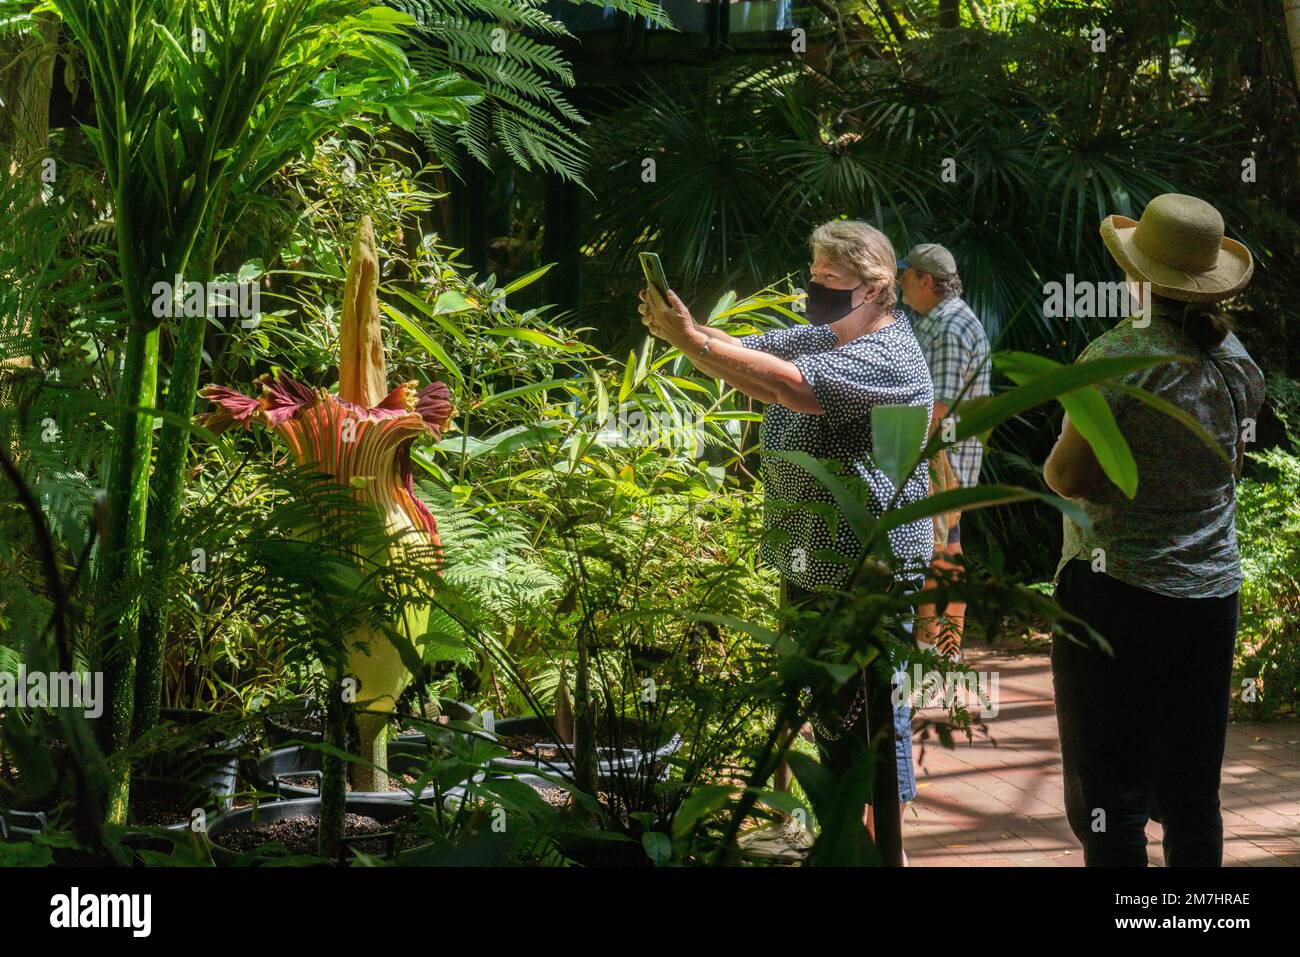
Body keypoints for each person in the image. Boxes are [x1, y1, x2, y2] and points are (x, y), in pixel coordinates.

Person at [637, 220, 934, 859]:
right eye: (815, 275)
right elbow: (748, 358)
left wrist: (694, 343)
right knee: (829, 707)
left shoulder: (888, 355)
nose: (814, 288)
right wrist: (686, 332)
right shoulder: (827, 335)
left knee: (872, 715)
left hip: (868, 563)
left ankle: (889, 851)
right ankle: (845, 843)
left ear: (876, 286)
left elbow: (790, 388)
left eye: (829, 280)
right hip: (811, 553)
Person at [1043, 193, 1264, 867]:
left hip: (1119, 595)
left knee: (1115, 795)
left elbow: (1069, 478)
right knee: (1194, 792)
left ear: (1137, 276)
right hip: (1210, 596)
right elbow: (1226, 467)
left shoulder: (1116, 358)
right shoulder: (1237, 364)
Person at [898, 244, 991, 659]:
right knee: (944, 545)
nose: (900, 280)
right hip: (940, 456)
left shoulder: (949, 327)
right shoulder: (936, 320)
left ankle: (936, 646)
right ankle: (940, 646)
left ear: (925, 281)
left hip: (943, 457)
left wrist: (910, 460)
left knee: (941, 548)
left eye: (906, 273)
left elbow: (939, 408)